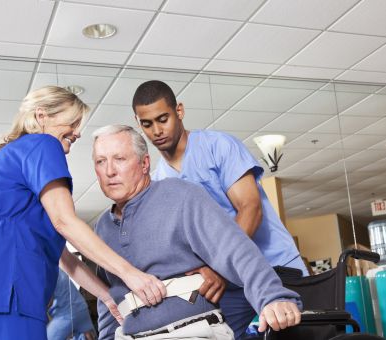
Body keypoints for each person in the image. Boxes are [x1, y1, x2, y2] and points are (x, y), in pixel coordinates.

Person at [0, 86, 168, 340]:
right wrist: (132, 275)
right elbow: (65, 221)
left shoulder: (11, 160)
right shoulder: (42, 143)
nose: (78, 132)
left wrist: (107, 296)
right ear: (41, 116)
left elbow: (65, 258)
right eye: (72, 122)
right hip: (3, 288)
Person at [131, 80, 308, 338]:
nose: (157, 130)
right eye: (147, 124)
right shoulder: (160, 181)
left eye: (163, 119)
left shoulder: (218, 146)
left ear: (179, 111)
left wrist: (217, 268)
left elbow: (250, 209)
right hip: (229, 286)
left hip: (276, 269)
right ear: (139, 124)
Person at [91, 125, 302, 340]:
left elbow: (234, 249)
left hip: (191, 332)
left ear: (144, 163)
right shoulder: (102, 227)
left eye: (119, 159)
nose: (109, 171)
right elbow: (107, 297)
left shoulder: (180, 195)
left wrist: (271, 296)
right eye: (100, 161)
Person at [48, 269, 96, 340]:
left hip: (65, 314)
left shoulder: (40, 271)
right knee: (88, 337)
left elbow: (48, 300)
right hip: (82, 309)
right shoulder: (55, 267)